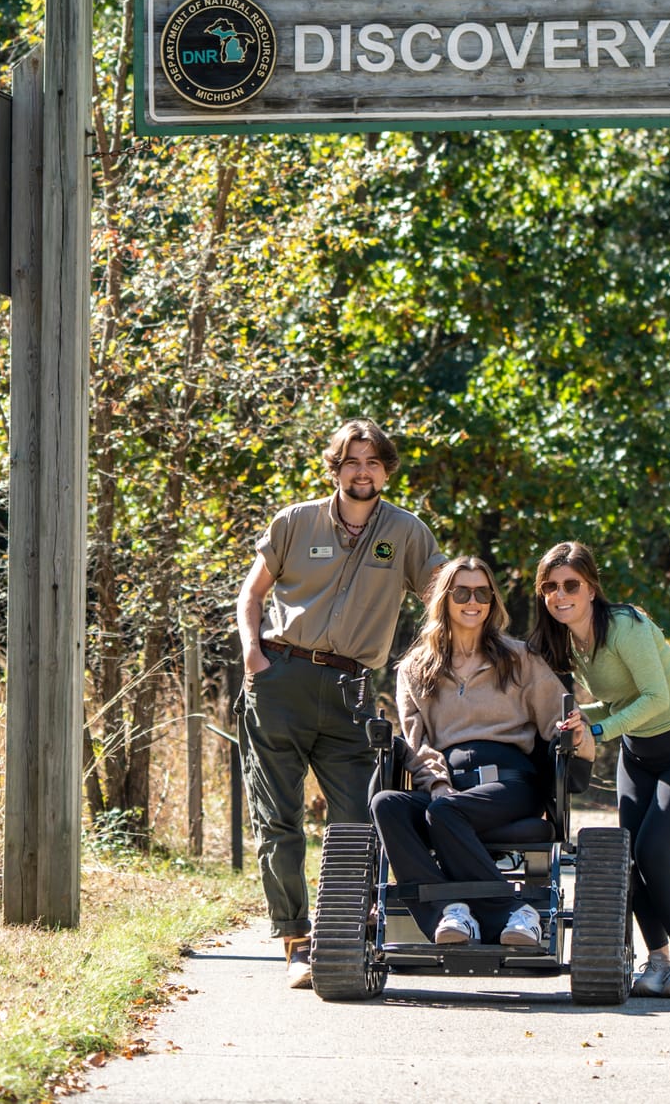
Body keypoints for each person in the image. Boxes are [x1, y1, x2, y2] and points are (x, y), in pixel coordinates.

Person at [236, 419, 445, 989]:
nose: (362, 471)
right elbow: (251, 594)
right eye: (352, 461)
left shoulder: (406, 532)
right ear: (335, 467)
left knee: (360, 817)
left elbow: (445, 601)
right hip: (281, 679)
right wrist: (254, 656)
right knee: (278, 819)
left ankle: (346, 926)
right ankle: (296, 942)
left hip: (351, 688)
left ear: (386, 470)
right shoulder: (295, 521)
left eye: (373, 462)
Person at [533, 541, 670, 998]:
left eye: (571, 585)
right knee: (629, 858)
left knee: (656, 851)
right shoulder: (568, 639)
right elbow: (620, 701)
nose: (560, 595)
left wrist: (597, 731)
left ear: (591, 587)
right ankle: (656, 961)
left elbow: (656, 698)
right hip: (639, 756)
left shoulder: (625, 625)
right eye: (550, 587)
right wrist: (583, 717)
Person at [372, 556, 596, 945]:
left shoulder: (520, 658)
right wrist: (439, 786)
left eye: (482, 593)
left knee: (445, 812)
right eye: (462, 592)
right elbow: (417, 744)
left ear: (492, 601)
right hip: (448, 790)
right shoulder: (414, 668)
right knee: (387, 804)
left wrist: (578, 737)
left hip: (510, 786)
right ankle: (450, 912)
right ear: (445, 599)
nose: (472, 601)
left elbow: (558, 723)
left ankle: (515, 911)